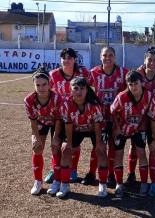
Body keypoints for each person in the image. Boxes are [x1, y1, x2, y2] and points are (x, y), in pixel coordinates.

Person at [45, 48, 93, 184]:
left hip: (78, 114)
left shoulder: (83, 73)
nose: (66, 60)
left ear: (74, 59)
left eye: (70, 58)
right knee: (56, 144)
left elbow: (93, 87)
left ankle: (73, 169)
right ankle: (55, 169)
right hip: (59, 116)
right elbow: (49, 93)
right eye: (64, 58)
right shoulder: (53, 74)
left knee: (74, 144)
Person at [56, 77, 105, 198]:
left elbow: (98, 124)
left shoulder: (94, 104)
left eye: (82, 88)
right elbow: (68, 124)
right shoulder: (66, 104)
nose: (79, 91)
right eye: (76, 88)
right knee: (65, 150)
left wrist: (98, 143)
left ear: (87, 90)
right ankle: (64, 184)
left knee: (101, 150)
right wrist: (68, 143)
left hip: (93, 129)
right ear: (70, 90)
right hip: (75, 129)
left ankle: (103, 184)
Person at [89, 46, 129, 186]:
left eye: (110, 55)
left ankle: (111, 174)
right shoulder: (94, 72)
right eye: (105, 55)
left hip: (116, 116)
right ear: (100, 57)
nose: (108, 58)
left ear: (115, 57)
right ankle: (91, 173)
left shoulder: (123, 72)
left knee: (113, 145)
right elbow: (84, 88)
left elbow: (129, 90)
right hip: (100, 116)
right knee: (98, 145)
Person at [110, 71, 152, 197]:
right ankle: (119, 184)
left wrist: (144, 124)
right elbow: (113, 111)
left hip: (139, 128)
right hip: (122, 128)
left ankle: (144, 183)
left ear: (141, 83)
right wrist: (117, 128)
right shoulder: (122, 97)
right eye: (131, 84)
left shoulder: (149, 95)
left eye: (136, 83)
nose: (134, 87)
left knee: (141, 152)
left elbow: (150, 111)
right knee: (118, 153)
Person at [126, 47, 155, 184]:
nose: (152, 63)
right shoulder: (136, 74)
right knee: (135, 146)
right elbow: (128, 93)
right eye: (150, 60)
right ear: (144, 61)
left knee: (154, 147)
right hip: (138, 117)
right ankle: (131, 174)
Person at [24, 67, 62, 195]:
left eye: (44, 84)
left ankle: (57, 180)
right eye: (38, 85)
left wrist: (56, 137)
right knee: (37, 148)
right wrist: (35, 136)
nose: (41, 88)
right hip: (41, 122)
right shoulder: (29, 100)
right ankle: (38, 181)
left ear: (50, 83)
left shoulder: (57, 98)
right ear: (34, 85)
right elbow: (33, 120)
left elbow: (58, 119)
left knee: (56, 147)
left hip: (56, 123)